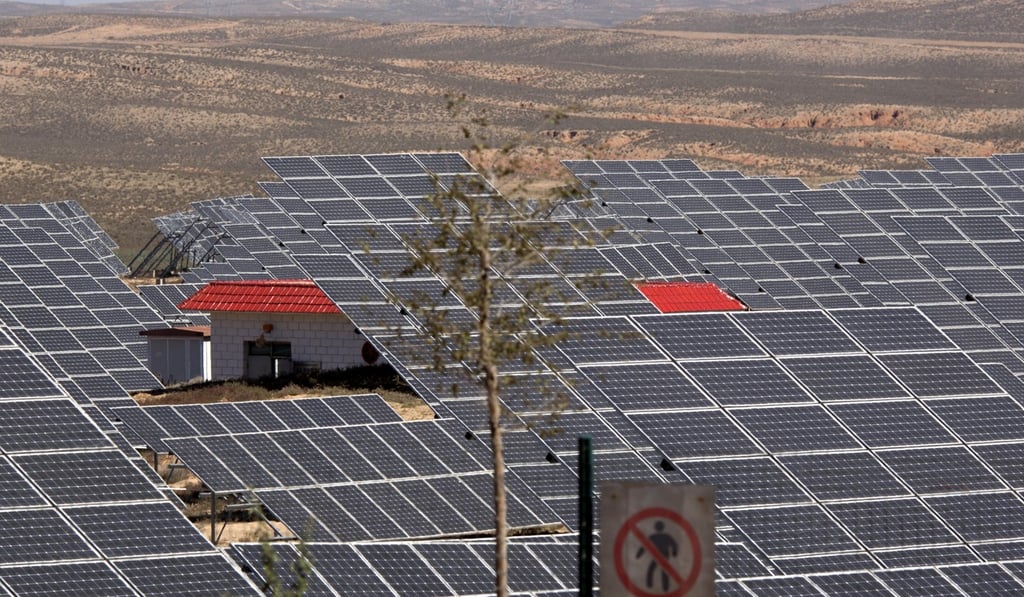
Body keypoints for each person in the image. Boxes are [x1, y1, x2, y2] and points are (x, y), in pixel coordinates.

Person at [635, 520, 678, 591]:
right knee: (664, 571)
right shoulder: (666, 536)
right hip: (664, 555)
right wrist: (674, 553)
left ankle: (650, 585)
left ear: (655, 527)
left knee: (651, 570)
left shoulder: (653, 536)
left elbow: (644, 546)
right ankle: (665, 587)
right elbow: (674, 544)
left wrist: (638, 554)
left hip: (657, 556)